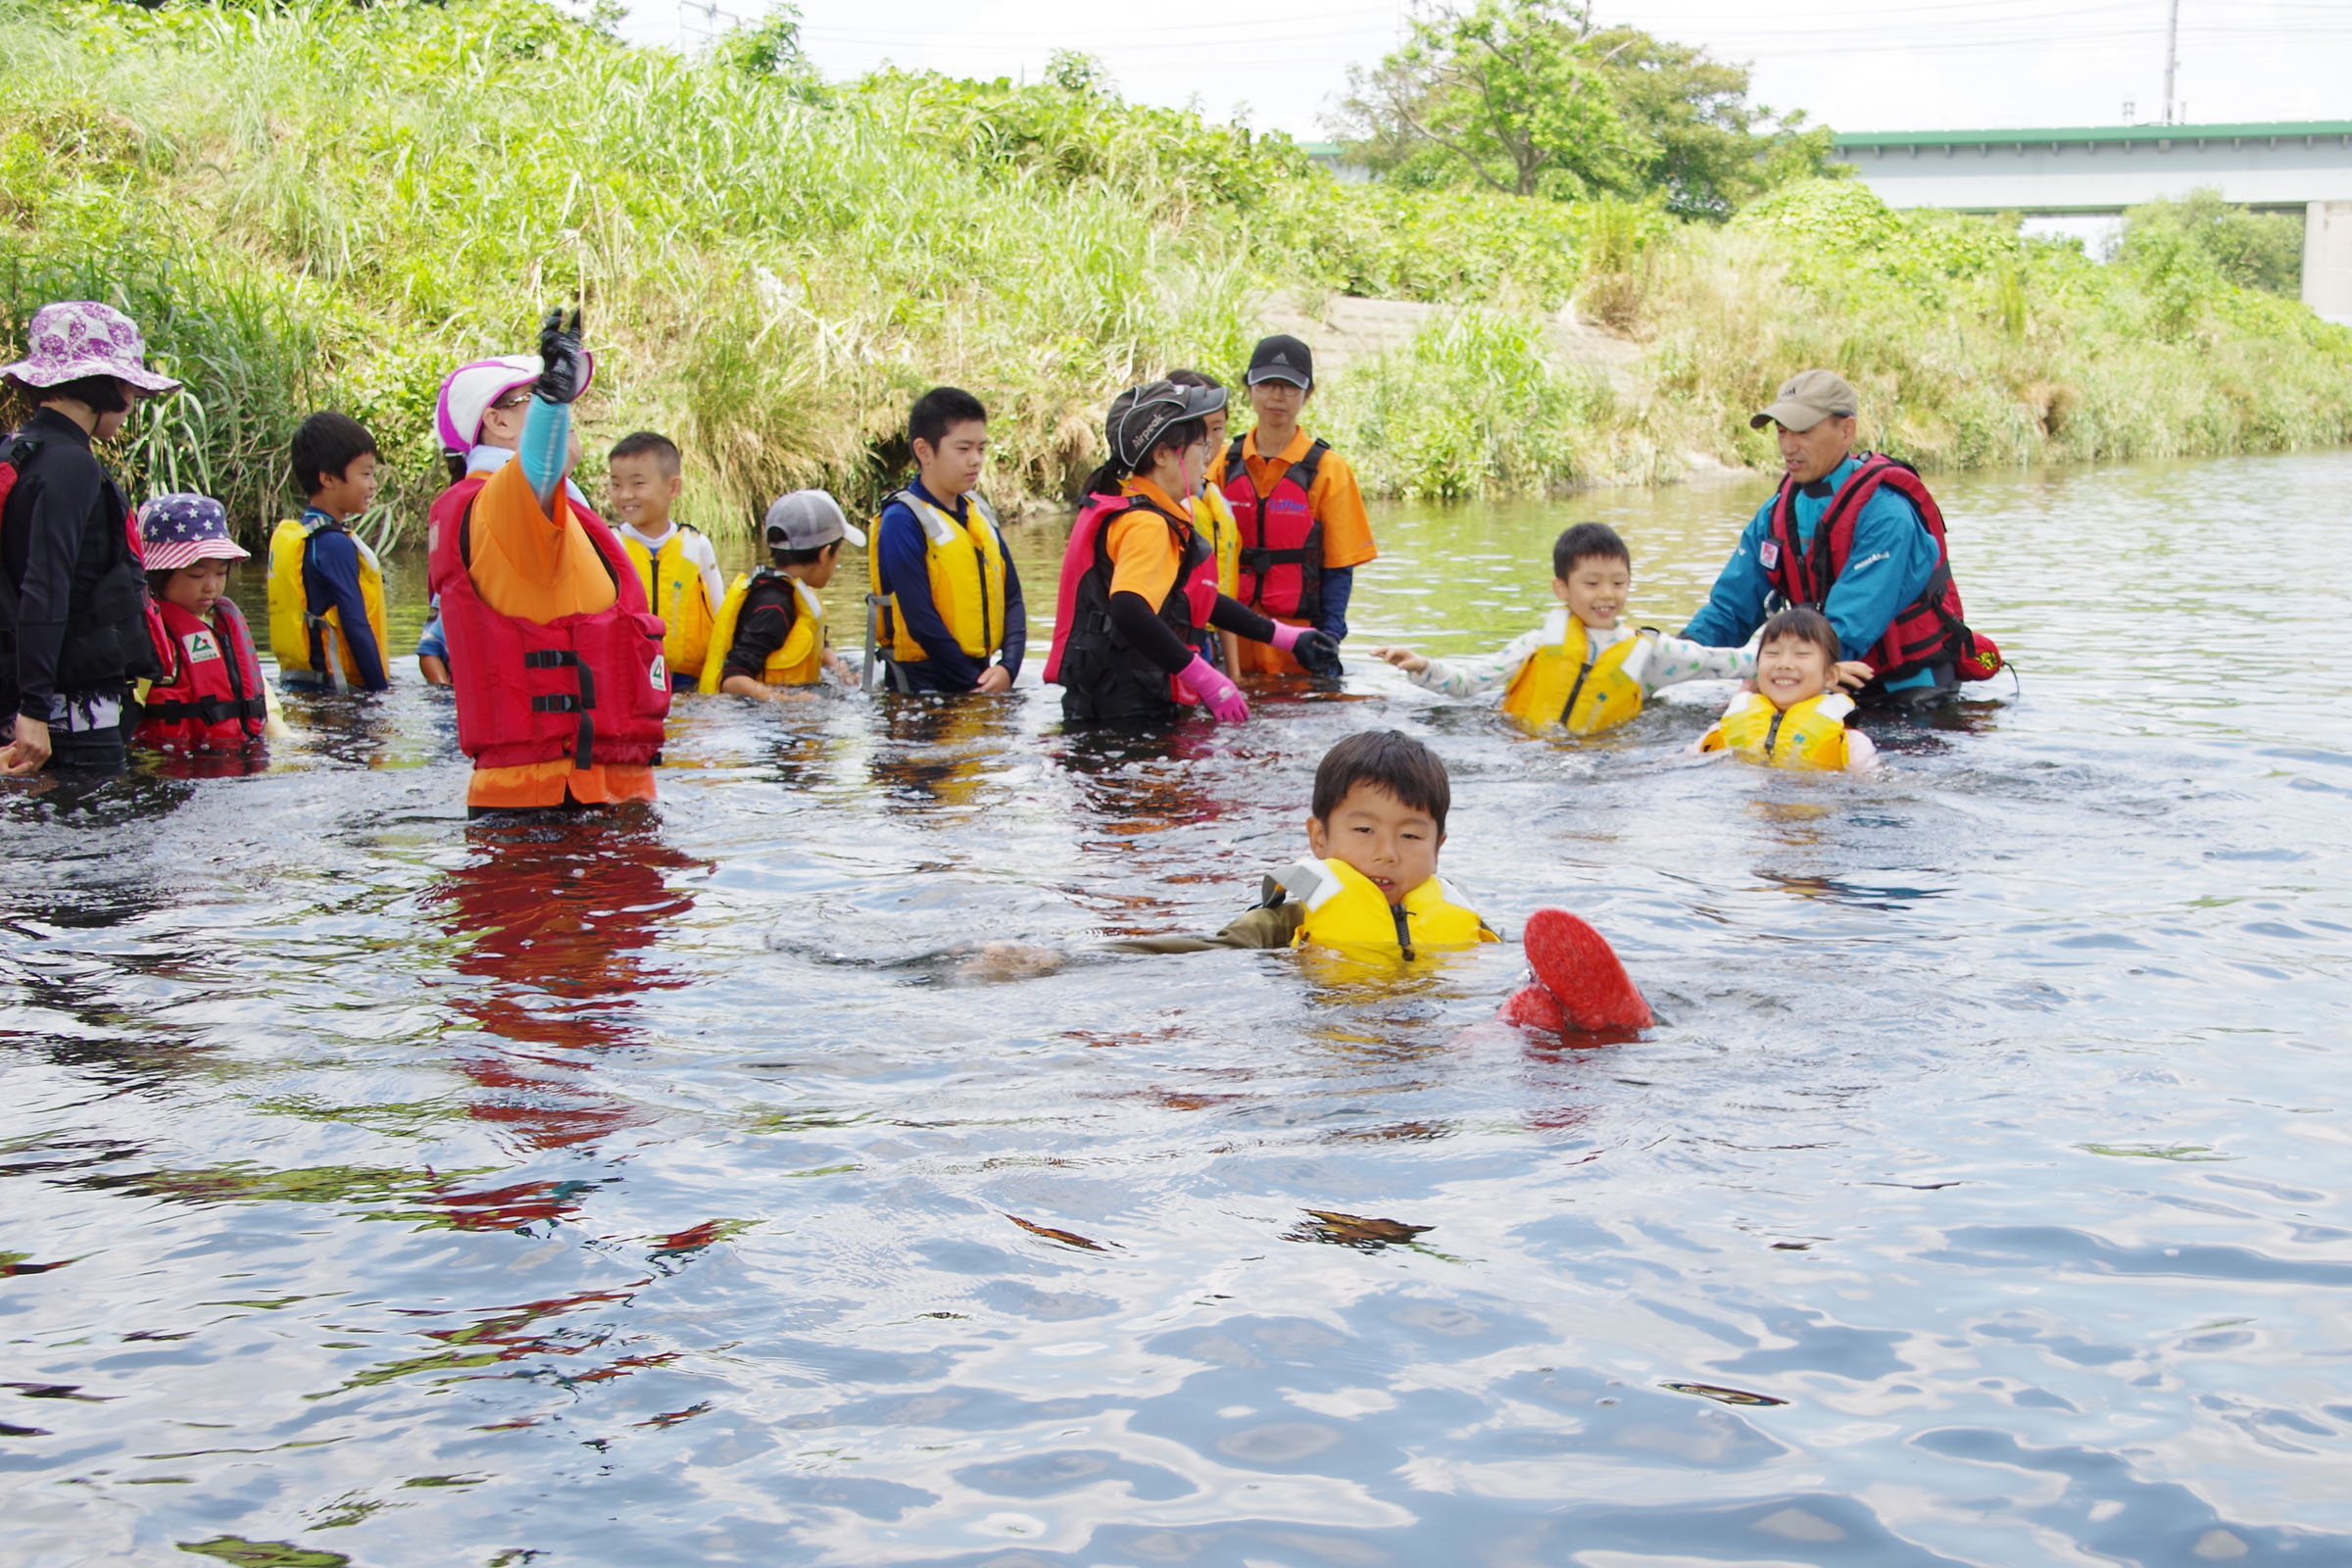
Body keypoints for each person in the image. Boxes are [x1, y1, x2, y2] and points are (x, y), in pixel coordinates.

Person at [1116, 729, 1653, 1035]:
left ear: (1440, 847)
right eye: (1365, 830)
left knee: (1515, 1014)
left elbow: (1504, 959)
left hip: (1437, 1027)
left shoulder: (1456, 911)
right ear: (1319, 839)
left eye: (1412, 837)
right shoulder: (1294, 911)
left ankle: (1575, 1021)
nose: (1388, 854)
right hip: (1342, 1039)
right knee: (1494, 1042)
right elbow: (1207, 948)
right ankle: (1532, 1032)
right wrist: (1087, 955)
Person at [426, 309, 668, 815]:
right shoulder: (500, 503)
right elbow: (538, 466)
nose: (564, 415)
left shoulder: (544, 509)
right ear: (496, 421)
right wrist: (552, 407)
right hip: (553, 803)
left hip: (574, 794)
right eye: (533, 400)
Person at [1682, 369, 1999, 709]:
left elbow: (1848, 627)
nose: (1788, 447)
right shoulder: (1775, 514)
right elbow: (1729, 610)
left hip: (1906, 693)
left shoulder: (1888, 514)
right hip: (1824, 676)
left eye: (1803, 431)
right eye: (1781, 431)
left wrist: (1762, 683)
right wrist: (1667, 657)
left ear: (1846, 430)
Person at [1044, 380, 1340, 725]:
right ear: (1163, 454)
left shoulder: (1140, 506)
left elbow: (1193, 597)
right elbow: (1128, 609)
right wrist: (1204, 676)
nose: (1209, 455)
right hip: (1127, 710)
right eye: (1201, 444)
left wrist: (1285, 636)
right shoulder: (1147, 524)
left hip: (1111, 701)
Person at [0, 301, 179, 776]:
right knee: (99, 844)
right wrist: (35, 712)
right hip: (66, 710)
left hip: (23, 695)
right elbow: (47, 585)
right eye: (130, 388)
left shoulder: (17, 451)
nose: (131, 403)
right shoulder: (71, 465)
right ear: (108, 386)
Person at [1371, 522, 1754, 733]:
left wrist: (1788, 663)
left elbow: (1719, 662)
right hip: (1525, 755)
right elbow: (1468, 682)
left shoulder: (1649, 654)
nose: (1607, 594)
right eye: (1592, 583)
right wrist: (1422, 666)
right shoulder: (1537, 644)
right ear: (1562, 588)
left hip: (1605, 764)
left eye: (1619, 583)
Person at [1210, 334, 1374, 678]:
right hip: (1232, 637)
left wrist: (1329, 637)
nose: (1277, 396)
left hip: (1301, 639)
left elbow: (1339, 567)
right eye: (1267, 384)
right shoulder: (1222, 463)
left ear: (1307, 394)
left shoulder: (1330, 470)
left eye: (1289, 387)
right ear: (1249, 388)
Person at [866, 386, 1024, 695]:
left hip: (983, 679)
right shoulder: (902, 520)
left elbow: (1013, 597)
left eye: (981, 448)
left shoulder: (980, 512)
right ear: (924, 450)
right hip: (922, 690)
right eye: (963, 449)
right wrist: (972, 686)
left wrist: (1009, 666)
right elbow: (919, 617)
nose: (976, 460)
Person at [131, 494, 277, 755]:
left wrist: (284, 737)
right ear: (156, 574)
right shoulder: (145, 635)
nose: (211, 586)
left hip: (236, 756)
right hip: (171, 767)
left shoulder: (221, 624)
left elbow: (261, 699)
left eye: (221, 573)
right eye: (196, 574)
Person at [704, 490, 865, 700]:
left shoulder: (794, 594)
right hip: (760, 722)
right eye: (838, 554)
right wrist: (787, 701)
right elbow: (732, 680)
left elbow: (817, 641)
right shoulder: (773, 605)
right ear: (825, 554)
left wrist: (837, 667)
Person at [270, 412, 389, 693]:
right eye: (366, 473)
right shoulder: (333, 544)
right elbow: (356, 625)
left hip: (301, 688)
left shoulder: (306, 534)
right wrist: (380, 694)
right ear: (328, 478)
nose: (373, 484)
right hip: (336, 695)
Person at [1694, 607, 1878, 774]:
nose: (1784, 664)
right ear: (1756, 668)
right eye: (1772, 653)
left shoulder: (1851, 744)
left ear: (1830, 675)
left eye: (1802, 654)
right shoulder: (1722, 729)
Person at [609, 431, 724, 692]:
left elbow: (721, 614)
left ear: (673, 487)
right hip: (629, 679)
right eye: (616, 485)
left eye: (637, 484)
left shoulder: (697, 546)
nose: (625, 495)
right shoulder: (608, 546)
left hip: (688, 683)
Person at [1165, 368, 1242, 674]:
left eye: (1218, 429)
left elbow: (1224, 595)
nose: (1210, 442)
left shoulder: (1216, 500)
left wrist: (1235, 673)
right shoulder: (1160, 501)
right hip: (1178, 645)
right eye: (1201, 431)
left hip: (1212, 644)